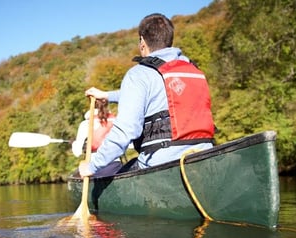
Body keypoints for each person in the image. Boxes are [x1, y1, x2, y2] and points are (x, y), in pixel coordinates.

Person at [79, 13, 215, 178]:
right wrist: (106, 95)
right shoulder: (194, 71)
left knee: (104, 175)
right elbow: (154, 94)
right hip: (205, 159)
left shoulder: (139, 75)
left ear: (142, 42)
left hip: (161, 165)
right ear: (169, 39)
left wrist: (92, 166)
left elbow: (124, 132)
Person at [72, 98, 123, 176]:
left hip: (95, 167)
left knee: (79, 173)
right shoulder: (115, 121)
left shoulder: (86, 124)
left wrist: (74, 144)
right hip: (116, 166)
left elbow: (77, 152)